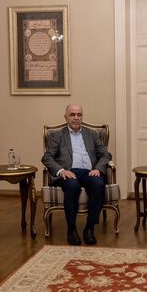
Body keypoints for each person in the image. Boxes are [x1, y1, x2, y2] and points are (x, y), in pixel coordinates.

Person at [41, 104, 112, 246]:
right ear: (66, 117)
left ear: (82, 117)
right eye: (72, 115)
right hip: (68, 172)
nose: (76, 118)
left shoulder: (92, 134)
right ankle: (72, 229)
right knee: (73, 187)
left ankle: (89, 228)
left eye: (79, 115)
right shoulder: (57, 135)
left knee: (98, 184)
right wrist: (61, 171)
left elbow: (105, 154)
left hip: (88, 172)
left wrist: (98, 168)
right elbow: (47, 157)